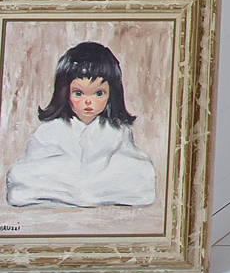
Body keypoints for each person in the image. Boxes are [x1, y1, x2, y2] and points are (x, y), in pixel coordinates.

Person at [5, 40, 157, 208]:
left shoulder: (119, 131)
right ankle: (84, 189)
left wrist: (92, 174)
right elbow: (27, 175)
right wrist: (70, 172)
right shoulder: (48, 131)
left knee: (140, 171)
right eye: (79, 93)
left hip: (93, 183)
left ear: (111, 94)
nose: (88, 102)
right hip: (72, 183)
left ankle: (80, 190)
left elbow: (136, 173)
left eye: (98, 93)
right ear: (65, 92)